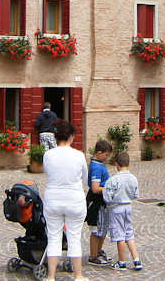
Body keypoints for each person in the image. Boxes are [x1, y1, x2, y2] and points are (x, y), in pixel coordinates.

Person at [41, 119, 89, 281]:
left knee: (53, 237)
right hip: (74, 198)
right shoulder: (79, 155)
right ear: (71, 136)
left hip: (53, 198)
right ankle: (78, 275)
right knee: (74, 237)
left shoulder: (48, 155)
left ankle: (51, 276)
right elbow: (85, 177)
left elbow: (48, 173)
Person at [103, 151, 142, 271]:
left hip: (116, 208)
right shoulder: (133, 178)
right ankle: (136, 260)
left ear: (116, 164)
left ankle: (122, 262)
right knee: (129, 233)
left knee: (119, 235)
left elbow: (107, 197)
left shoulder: (113, 179)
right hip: (128, 207)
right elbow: (136, 195)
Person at [87, 139, 113, 266]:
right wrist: (110, 188)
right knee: (96, 229)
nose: (107, 158)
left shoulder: (99, 164)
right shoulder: (97, 167)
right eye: (106, 155)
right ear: (99, 152)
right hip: (97, 202)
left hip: (102, 202)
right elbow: (95, 188)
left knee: (103, 228)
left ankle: (98, 251)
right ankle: (93, 256)